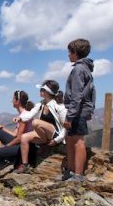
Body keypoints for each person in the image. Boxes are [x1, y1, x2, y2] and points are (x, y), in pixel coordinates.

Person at [14, 80, 67, 174]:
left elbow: (65, 126)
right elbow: (29, 115)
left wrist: (57, 140)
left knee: (35, 122)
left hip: (56, 136)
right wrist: (20, 118)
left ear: (47, 92)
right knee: (24, 137)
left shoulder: (59, 106)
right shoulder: (40, 104)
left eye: (42, 89)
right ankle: (25, 165)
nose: (40, 91)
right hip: (45, 136)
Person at [63, 39, 96, 182]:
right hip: (81, 109)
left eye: (69, 52)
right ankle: (70, 172)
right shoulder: (86, 69)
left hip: (77, 110)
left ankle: (78, 175)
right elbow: (92, 91)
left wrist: (69, 117)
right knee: (70, 139)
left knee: (77, 141)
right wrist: (91, 109)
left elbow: (77, 95)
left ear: (75, 53)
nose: (68, 55)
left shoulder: (78, 69)